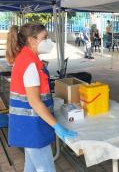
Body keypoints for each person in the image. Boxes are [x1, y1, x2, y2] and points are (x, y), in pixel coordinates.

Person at [6, 23, 77, 172]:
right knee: (46, 168)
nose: (48, 41)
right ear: (32, 40)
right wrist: (57, 126)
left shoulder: (27, 58)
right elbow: (35, 103)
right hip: (33, 127)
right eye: (45, 37)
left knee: (31, 166)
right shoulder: (30, 64)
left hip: (27, 125)